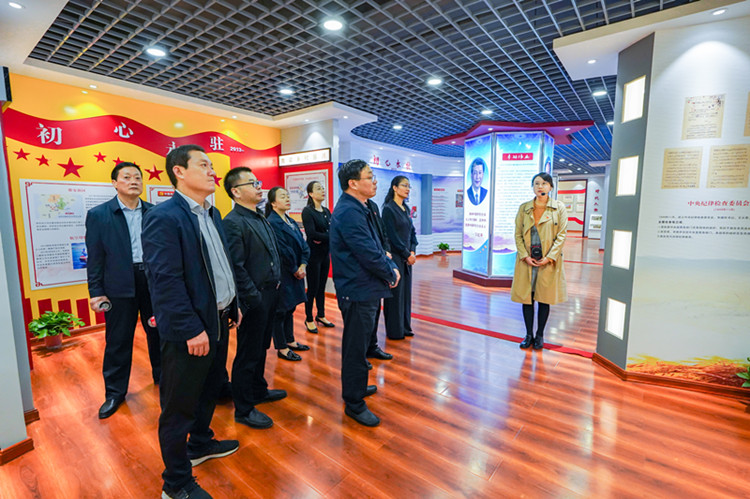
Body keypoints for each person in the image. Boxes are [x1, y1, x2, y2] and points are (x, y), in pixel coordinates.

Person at [142, 145, 239, 499]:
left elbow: (220, 265)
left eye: (212, 165)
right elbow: (164, 281)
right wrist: (190, 329)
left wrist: (233, 304)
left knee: (209, 389)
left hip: (219, 320)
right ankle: (176, 482)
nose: (212, 171)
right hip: (191, 330)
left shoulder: (212, 213)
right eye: (204, 165)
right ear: (179, 171)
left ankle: (200, 443)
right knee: (178, 407)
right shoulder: (165, 217)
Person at [85, 161, 161, 420]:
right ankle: (115, 393)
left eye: (138, 177)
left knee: (159, 333)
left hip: (152, 282)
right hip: (118, 285)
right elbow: (95, 258)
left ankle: (163, 378)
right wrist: (96, 291)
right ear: (115, 183)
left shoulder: (154, 212)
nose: (133, 181)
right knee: (118, 340)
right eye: (126, 177)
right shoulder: (99, 214)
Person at [330, 159, 399, 427]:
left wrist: (389, 265)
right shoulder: (348, 211)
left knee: (361, 345)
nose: (375, 181)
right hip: (357, 289)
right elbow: (366, 251)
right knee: (355, 347)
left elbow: (378, 244)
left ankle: (357, 387)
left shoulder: (364, 207)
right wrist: (389, 273)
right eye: (369, 177)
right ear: (353, 183)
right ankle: (354, 402)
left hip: (366, 286)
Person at [222, 167, 287, 430]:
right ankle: (244, 408)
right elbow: (236, 267)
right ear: (236, 192)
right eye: (252, 183)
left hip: (271, 293)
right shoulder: (233, 222)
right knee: (248, 353)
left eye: (258, 182)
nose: (259, 187)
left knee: (262, 347)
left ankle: (259, 389)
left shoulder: (260, 216)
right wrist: (254, 298)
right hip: (254, 298)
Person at [510, 172, 568, 350]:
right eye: (536, 183)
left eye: (544, 183)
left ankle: (540, 335)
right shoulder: (524, 208)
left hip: (547, 261)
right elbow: (518, 234)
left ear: (550, 186)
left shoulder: (558, 208)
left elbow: (562, 235)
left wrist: (549, 257)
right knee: (527, 298)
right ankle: (528, 334)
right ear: (532, 187)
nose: (540, 186)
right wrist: (524, 255)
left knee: (544, 298)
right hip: (527, 261)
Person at [265, 187, 310, 361]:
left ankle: (290, 340)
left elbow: (304, 245)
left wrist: (303, 264)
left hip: (298, 271)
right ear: (273, 203)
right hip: (285, 273)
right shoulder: (272, 223)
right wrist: (295, 268)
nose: (287, 199)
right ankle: (282, 347)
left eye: (287, 196)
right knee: (281, 310)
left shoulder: (290, 220)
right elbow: (283, 250)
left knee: (290, 308)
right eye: (283, 196)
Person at [382, 176, 418, 340]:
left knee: (405, 294)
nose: (407, 189)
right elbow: (392, 237)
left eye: (409, 186)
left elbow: (412, 232)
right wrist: (406, 254)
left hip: (407, 257)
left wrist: (412, 251)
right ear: (395, 188)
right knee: (395, 294)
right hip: (396, 257)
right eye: (404, 185)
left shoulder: (405, 208)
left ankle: (405, 326)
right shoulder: (389, 209)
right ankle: (395, 330)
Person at [301, 181, 334, 333]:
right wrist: (329, 236)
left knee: (322, 287)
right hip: (313, 255)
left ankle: (321, 315)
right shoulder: (308, 211)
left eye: (322, 188)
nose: (322, 190)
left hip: (325, 253)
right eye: (318, 188)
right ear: (311, 194)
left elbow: (331, 230)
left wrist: (325, 237)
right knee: (313, 288)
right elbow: (312, 234)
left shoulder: (326, 211)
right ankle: (308, 318)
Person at [364, 198, 394, 363]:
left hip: (380, 262)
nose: (374, 185)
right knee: (363, 318)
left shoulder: (373, 205)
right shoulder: (351, 209)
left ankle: (372, 346)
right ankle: (361, 354)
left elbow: (382, 231)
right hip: (366, 270)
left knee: (375, 310)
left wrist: (387, 250)